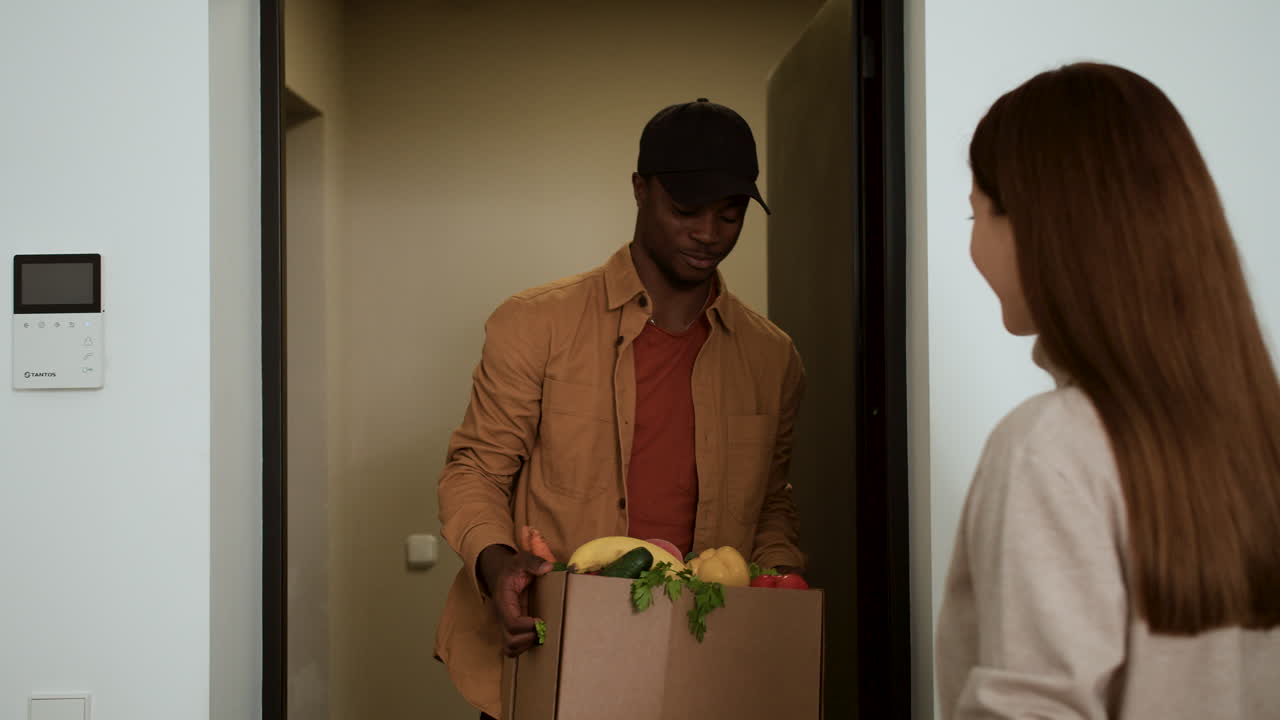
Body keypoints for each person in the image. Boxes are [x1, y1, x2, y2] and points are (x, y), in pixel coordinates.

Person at [435, 98, 807, 719]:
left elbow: (771, 502)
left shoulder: (773, 357)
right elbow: (474, 470)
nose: (709, 234)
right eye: (686, 210)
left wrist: (781, 590)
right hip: (550, 661)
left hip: (701, 669)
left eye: (731, 214)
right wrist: (498, 567)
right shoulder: (535, 324)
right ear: (640, 189)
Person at [936, 62, 1280, 719]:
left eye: (974, 213)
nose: (973, 244)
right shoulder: (1260, 435)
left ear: (1036, 227)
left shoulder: (1050, 447)